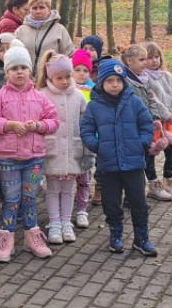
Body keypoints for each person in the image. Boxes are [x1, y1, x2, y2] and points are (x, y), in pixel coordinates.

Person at [0, 40, 60, 262]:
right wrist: (9, 125)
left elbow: (53, 121)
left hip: (34, 159)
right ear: (6, 72)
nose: (19, 72)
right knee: (11, 200)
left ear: (29, 70)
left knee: (29, 198)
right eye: (14, 68)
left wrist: (38, 126)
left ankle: (32, 237)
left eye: (23, 68)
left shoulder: (40, 97)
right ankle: (6, 241)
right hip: (9, 159)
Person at [81, 58, 158, 256]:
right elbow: (86, 129)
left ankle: (142, 237)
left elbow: (146, 124)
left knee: (138, 202)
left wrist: (142, 143)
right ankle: (116, 233)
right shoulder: (94, 106)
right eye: (110, 81)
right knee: (111, 203)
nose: (115, 85)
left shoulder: (134, 101)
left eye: (118, 80)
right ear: (101, 82)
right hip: (108, 165)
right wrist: (97, 146)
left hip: (133, 163)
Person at [35, 52, 88, 245]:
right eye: (59, 78)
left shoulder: (79, 96)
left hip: (73, 150)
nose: (65, 81)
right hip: (52, 151)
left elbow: (86, 124)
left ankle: (66, 223)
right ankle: (54, 223)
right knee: (53, 189)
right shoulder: (42, 95)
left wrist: (87, 150)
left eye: (68, 76)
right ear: (50, 77)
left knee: (68, 189)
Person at [120, 44, 172, 202]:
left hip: (146, 126)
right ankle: (133, 196)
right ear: (129, 61)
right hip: (133, 128)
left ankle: (137, 195)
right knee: (137, 162)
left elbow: (151, 100)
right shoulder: (126, 81)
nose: (145, 63)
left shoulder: (143, 79)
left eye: (147, 59)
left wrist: (155, 117)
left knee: (143, 158)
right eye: (142, 59)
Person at [142, 41, 172, 200]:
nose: (154, 61)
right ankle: (154, 186)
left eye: (156, 57)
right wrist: (165, 114)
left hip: (169, 121)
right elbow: (152, 99)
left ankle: (169, 182)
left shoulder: (167, 76)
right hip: (154, 121)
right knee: (151, 152)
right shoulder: (143, 79)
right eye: (149, 58)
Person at [14, 0, 73, 66]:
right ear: (30, 10)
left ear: (49, 9)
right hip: (26, 77)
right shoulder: (20, 31)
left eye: (42, 7)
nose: (38, 11)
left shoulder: (60, 30)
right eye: (34, 8)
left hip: (51, 77)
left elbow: (70, 56)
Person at [70, 49, 95, 227]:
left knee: (84, 179)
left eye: (85, 70)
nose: (81, 73)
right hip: (69, 142)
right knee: (67, 178)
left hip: (86, 143)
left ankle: (82, 209)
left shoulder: (95, 92)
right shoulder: (67, 90)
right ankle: (65, 210)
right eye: (77, 69)